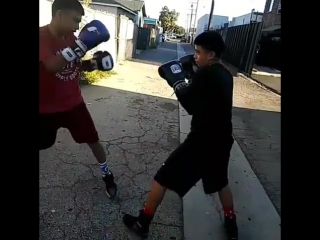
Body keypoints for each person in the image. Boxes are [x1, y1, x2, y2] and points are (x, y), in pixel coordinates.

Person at [122, 31, 238, 240]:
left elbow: (191, 104)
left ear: (210, 55)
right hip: (223, 140)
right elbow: (208, 96)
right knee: (221, 181)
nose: (195, 56)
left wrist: (177, 82)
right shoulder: (226, 75)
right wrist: (191, 76)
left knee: (162, 178)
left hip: (201, 141)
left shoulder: (206, 74)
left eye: (198, 52)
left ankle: (142, 223)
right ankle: (231, 223)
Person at [39, 0, 117, 198]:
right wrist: (80, 45)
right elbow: (51, 66)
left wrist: (90, 64)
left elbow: (71, 63)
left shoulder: (72, 38)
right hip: (44, 108)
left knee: (93, 140)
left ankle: (107, 173)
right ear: (59, 16)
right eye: (75, 20)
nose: (77, 26)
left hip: (74, 104)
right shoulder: (41, 37)